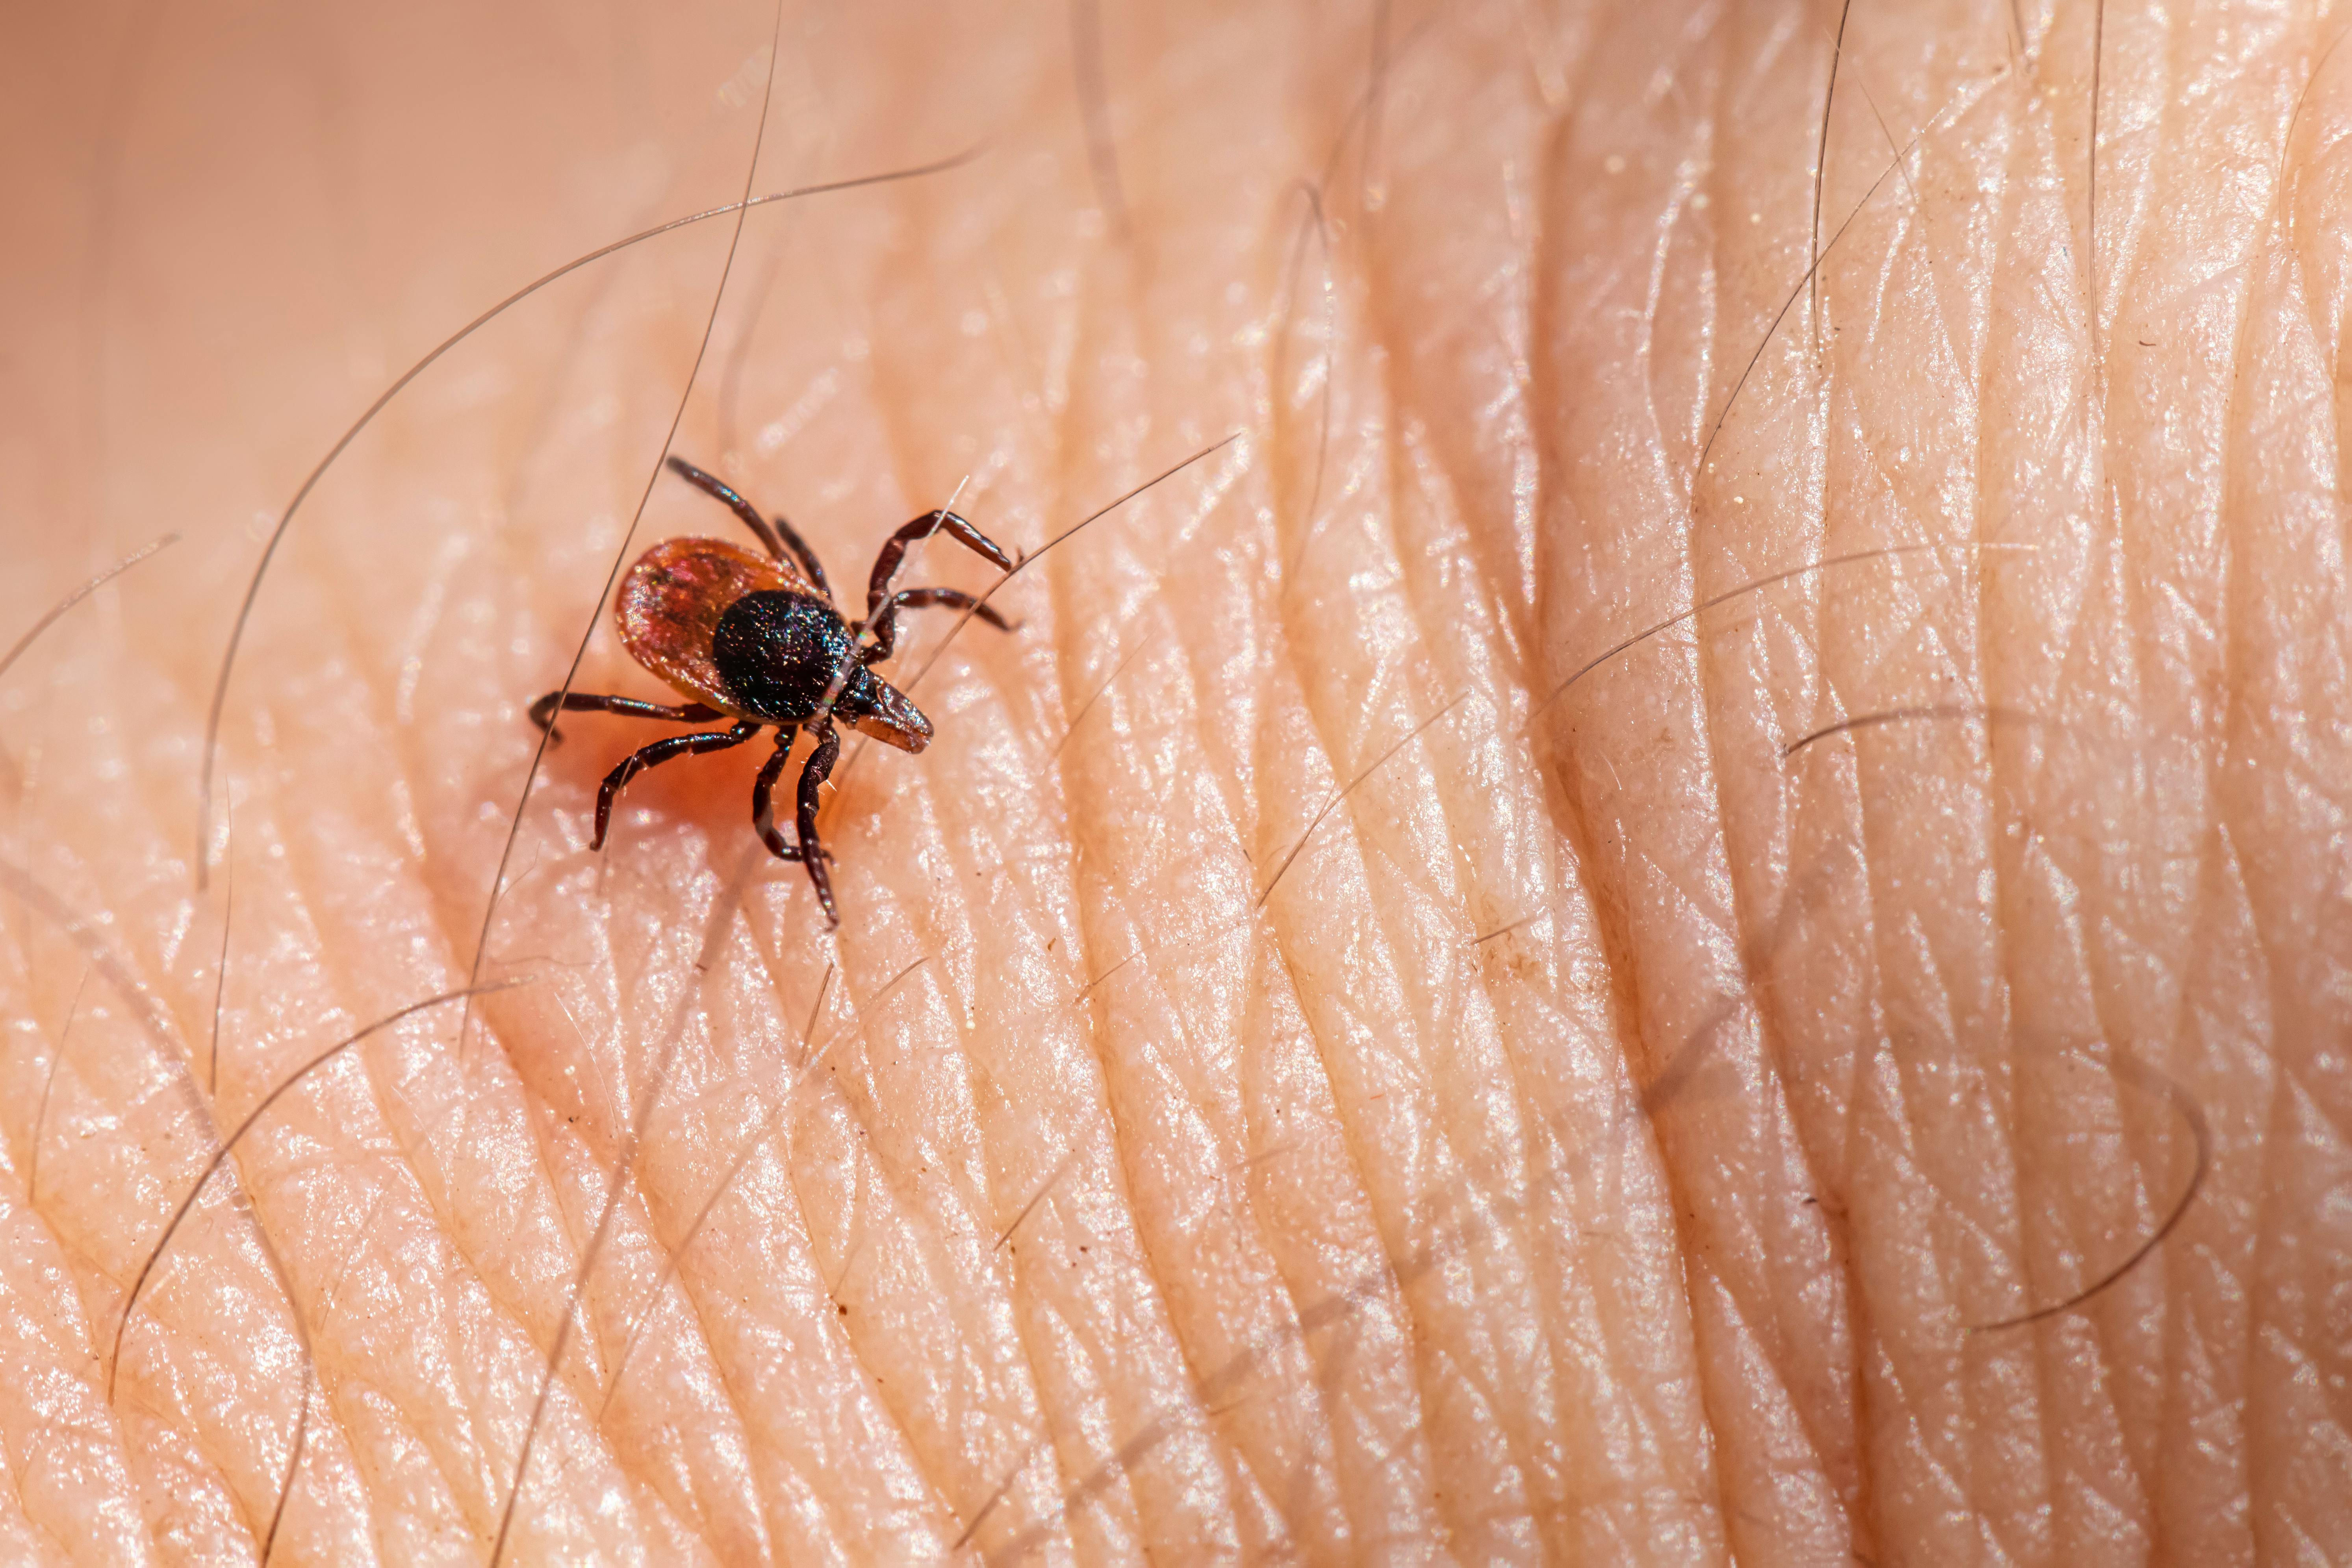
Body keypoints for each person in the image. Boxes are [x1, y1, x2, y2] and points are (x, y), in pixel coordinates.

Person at [4, 0, 2337, 1559]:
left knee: (785, 625)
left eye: (841, 686)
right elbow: (711, 724)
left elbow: (837, 586)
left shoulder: (808, 636)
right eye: (824, 710)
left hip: (700, 564)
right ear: (794, 690)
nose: (828, 716)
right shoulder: (744, 695)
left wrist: (964, 616)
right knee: (632, 744)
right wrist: (734, 834)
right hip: (683, 585)